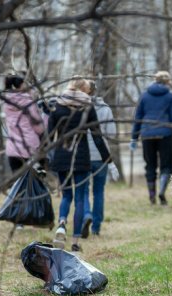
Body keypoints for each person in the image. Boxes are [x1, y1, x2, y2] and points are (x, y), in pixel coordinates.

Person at [47, 77, 111, 252]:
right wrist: (106, 157)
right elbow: (97, 135)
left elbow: (49, 135)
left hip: (61, 156)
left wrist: (44, 157)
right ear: (84, 89)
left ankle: (61, 224)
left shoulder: (57, 105)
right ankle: (75, 242)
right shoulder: (87, 106)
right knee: (80, 197)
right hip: (81, 157)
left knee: (66, 195)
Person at [130, 71, 172, 205]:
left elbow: (137, 118)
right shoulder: (171, 97)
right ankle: (161, 192)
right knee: (166, 165)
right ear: (168, 82)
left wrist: (134, 138)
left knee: (150, 165)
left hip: (147, 134)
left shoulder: (144, 96)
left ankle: (152, 196)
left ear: (155, 80)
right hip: (164, 135)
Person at [81, 80, 119, 237]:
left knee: (83, 191)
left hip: (82, 155)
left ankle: (86, 214)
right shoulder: (104, 109)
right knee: (98, 191)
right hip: (101, 156)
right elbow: (111, 133)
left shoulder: (77, 107)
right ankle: (96, 227)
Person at [3, 74, 45, 173]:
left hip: (13, 148)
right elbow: (39, 128)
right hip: (29, 148)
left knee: (19, 183)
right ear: (21, 85)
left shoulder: (6, 103)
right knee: (34, 182)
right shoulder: (27, 102)